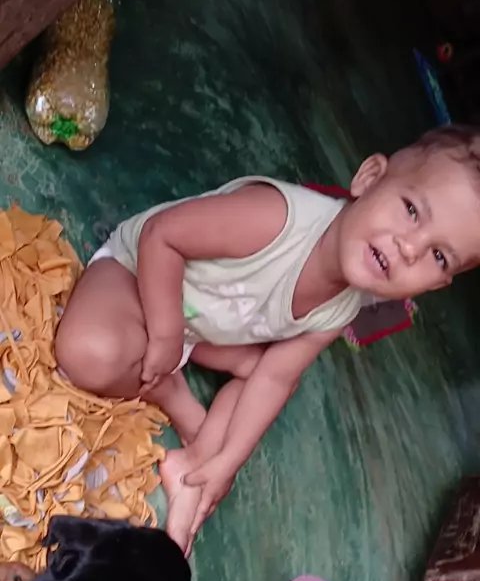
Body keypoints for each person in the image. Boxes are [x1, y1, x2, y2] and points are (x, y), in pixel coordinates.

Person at [55, 125, 480, 555]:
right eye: (411, 210)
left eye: (438, 255)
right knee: (86, 354)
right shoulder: (278, 218)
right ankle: (174, 396)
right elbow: (161, 236)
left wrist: (228, 463)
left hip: (203, 328)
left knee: (264, 385)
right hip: (139, 274)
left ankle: (194, 468)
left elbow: (277, 378)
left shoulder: (343, 308)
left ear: (435, 285)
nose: (410, 248)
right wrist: (164, 334)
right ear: (369, 178)